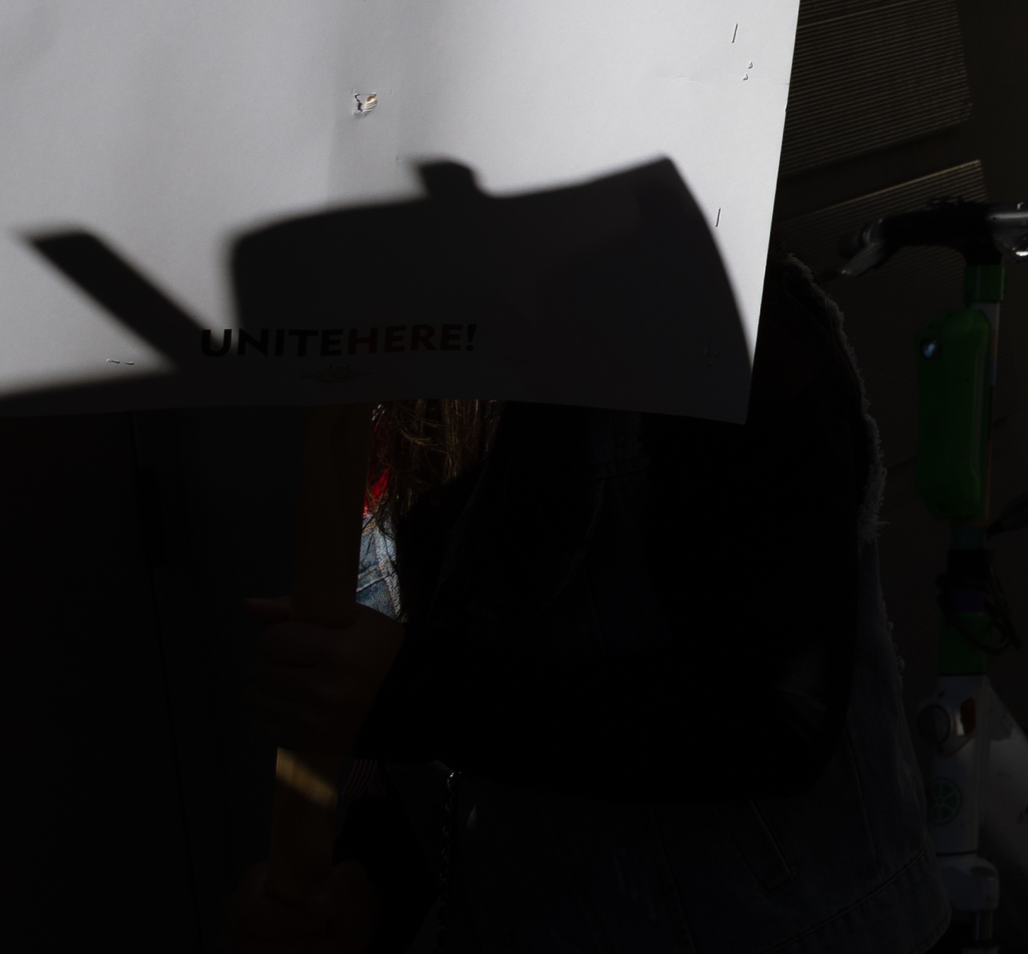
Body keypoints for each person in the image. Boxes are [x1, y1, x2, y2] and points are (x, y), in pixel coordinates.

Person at [226, 260, 946, 953]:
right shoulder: (400, 384)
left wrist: (413, 691)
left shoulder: (715, 313)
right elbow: (451, 767)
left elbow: (773, 712)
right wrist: (369, 891)